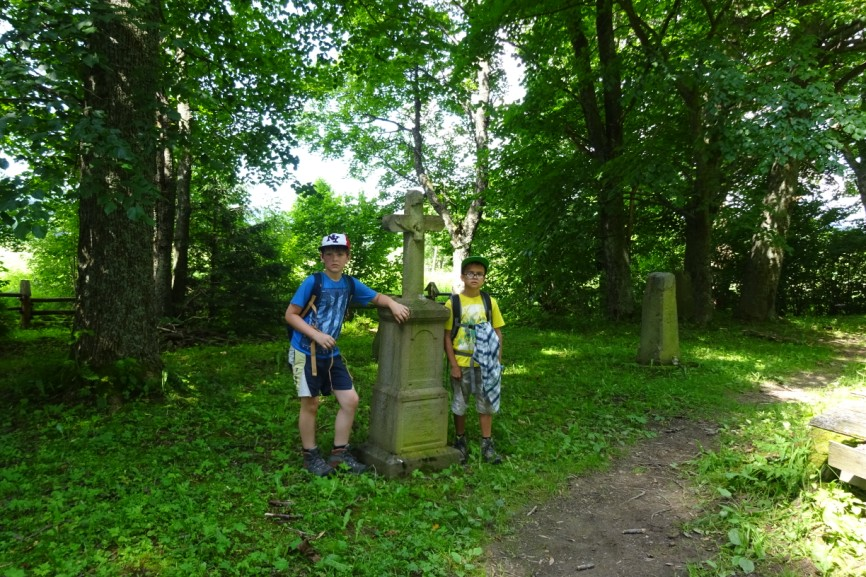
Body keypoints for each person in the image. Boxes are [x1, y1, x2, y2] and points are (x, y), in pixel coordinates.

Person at [285, 233, 411, 476]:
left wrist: (393, 304)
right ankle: (310, 456)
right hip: (305, 351)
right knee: (310, 404)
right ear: (322, 256)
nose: (335, 258)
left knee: (350, 400)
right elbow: (290, 314)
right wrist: (316, 334)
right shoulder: (313, 282)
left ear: (347, 257)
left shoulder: (350, 283)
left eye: (340, 253)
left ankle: (338, 455)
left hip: (331, 354)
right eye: (329, 253)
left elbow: (376, 297)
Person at [444, 255, 505, 464]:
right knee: (460, 403)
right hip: (461, 363)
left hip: (486, 364)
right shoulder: (453, 303)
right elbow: (446, 336)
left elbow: (498, 333)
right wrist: (453, 364)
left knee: (486, 402)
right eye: (470, 273)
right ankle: (460, 440)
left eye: (479, 274)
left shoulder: (490, 302)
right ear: (462, 276)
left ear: (484, 278)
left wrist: (497, 362)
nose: (474, 277)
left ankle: (486, 443)